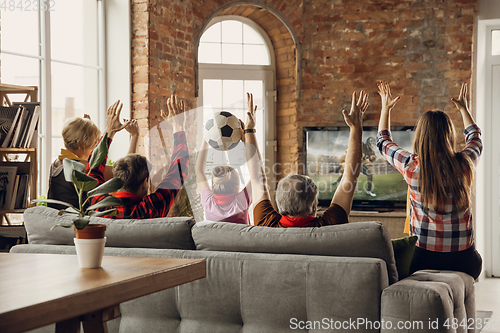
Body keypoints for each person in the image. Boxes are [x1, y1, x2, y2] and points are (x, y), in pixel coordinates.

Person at [376, 81, 483, 279]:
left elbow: (383, 142)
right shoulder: (465, 164)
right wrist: (464, 109)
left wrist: (385, 108)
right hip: (464, 262)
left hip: (422, 259)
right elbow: (475, 137)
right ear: (449, 135)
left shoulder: (410, 165)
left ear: (420, 136)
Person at [247, 91, 368, 227]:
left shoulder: (266, 223)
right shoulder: (330, 224)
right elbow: (350, 177)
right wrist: (356, 127)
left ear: (279, 205)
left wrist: (249, 130)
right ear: (314, 207)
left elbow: (257, 179)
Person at [88, 94, 188, 219]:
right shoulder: (152, 207)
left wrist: (110, 130)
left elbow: (92, 171)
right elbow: (179, 170)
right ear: (144, 183)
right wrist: (179, 126)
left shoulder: (101, 207)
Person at [47, 101, 139, 210]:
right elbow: (126, 172)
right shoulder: (81, 168)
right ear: (84, 145)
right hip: (78, 224)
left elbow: (95, 153)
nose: (96, 146)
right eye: (94, 142)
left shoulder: (58, 163)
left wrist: (108, 130)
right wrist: (135, 135)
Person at [196, 134, 252, 224]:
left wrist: (206, 139)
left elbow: (199, 171)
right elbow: (257, 174)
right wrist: (246, 141)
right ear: (236, 188)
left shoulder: (208, 202)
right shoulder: (241, 202)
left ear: (213, 187)